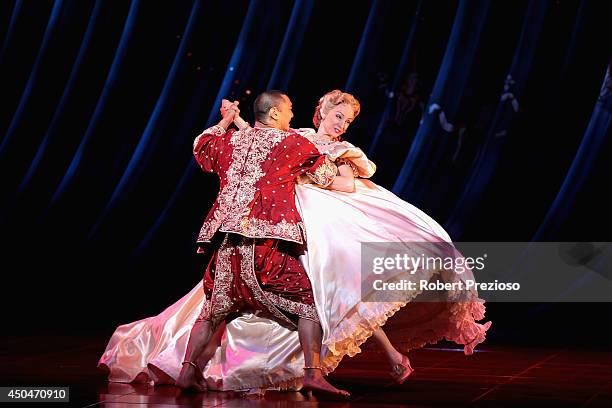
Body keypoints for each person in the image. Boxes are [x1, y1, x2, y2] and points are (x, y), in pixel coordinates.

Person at [99, 90, 490, 393]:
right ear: (317, 112)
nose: (342, 124)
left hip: (289, 225)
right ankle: (306, 371)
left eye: (349, 119)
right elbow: (276, 152)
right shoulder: (295, 140)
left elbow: (231, 145)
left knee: (330, 288)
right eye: (338, 115)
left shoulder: (314, 145)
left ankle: (199, 370)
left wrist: (228, 123)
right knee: (311, 299)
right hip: (281, 225)